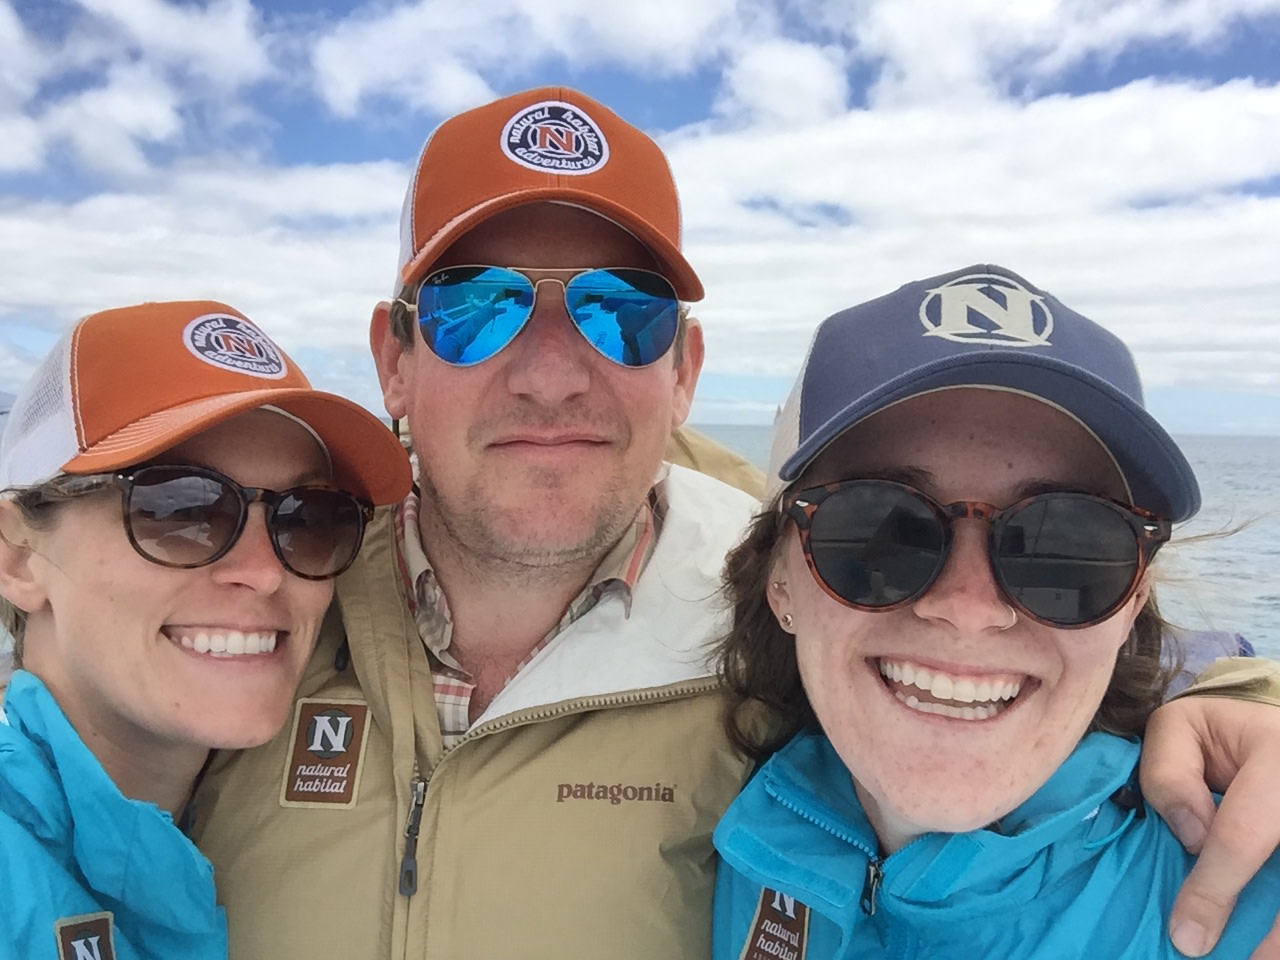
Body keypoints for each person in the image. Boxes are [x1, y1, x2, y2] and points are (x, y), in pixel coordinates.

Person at [191, 88, 1280, 960]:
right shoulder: (256, 598)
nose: (552, 373)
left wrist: (1233, 697)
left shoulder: (801, 623)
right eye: (478, 307)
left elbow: (1033, 654)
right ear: (393, 359)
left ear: (684, 371)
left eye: (622, 312)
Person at [712, 265, 1280, 958]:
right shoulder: (750, 826)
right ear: (779, 583)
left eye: (1066, 545)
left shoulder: (1249, 897)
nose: (969, 607)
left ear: (1133, 600)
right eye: (877, 529)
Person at [0, 301, 410, 960]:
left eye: (309, 517)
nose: (264, 572)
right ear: (18, 557)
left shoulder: (228, 836)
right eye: (179, 508)